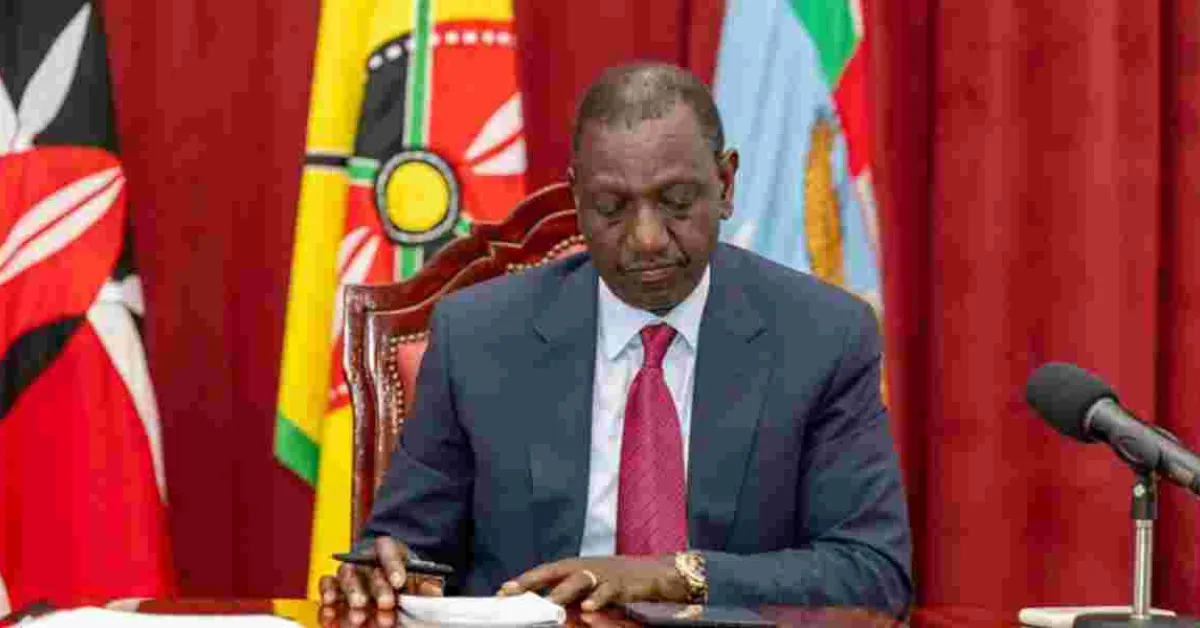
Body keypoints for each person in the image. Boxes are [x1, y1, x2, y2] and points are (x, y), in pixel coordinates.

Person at [320, 62, 912, 618]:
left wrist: (669, 576)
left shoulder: (822, 337)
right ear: (577, 197)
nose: (647, 238)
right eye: (612, 207)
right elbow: (408, 544)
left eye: (677, 202)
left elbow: (872, 573)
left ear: (725, 183)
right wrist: (383, 569)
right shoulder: (478, 338)